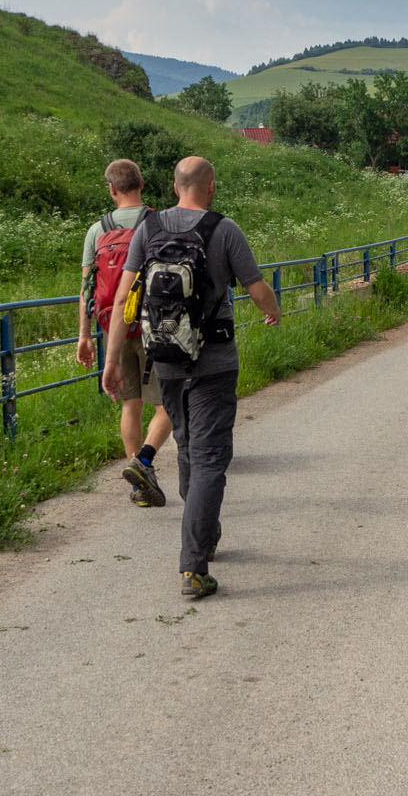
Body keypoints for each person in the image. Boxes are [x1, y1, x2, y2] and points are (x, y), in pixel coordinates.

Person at [104, 155, 282, 599]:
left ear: (174, 186)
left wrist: (110, 361)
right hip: (215, 361)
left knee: (188, 445)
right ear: (212, 187)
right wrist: (271, 312)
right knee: (209, 458)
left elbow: (124, 294)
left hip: (164, 359)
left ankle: (202, 533)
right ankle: (194, 566)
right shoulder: (225, 230)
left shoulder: (149, 228)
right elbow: (257, 287)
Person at [79, 159, 172, 508]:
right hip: (156, 325)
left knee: (129, 404)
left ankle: (140, 487)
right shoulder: (159, 222)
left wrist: (84, 335)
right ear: (141, 184)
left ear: (111, 188)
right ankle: (142, 464)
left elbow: (87, 288)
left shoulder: (96, 231)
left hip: (112, 329)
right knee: (169, 404)